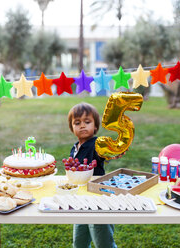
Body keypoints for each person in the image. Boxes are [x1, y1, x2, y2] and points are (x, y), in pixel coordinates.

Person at [68, 102, 118, 248]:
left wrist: (114, 152)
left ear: (95, 126)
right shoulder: (75, 148)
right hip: (80, 200)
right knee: (79, 242)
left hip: (98, 201)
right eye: (77, 123)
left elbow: (107, 153)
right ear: (72, 128)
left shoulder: (97, 145)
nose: (82, 125)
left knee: (103, 242)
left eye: (87, 122)